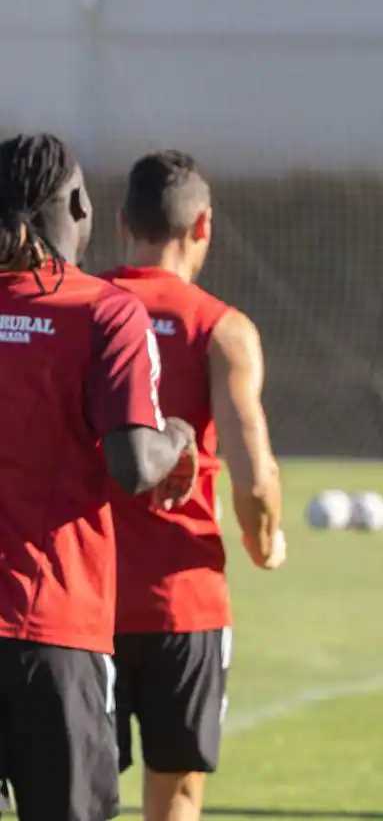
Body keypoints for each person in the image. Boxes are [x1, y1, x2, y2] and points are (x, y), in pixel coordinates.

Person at [0, 133, 196, 821]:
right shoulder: (104, 310)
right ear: (80, 205)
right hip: (52, 629)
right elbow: (135, 466)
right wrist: (177, 437)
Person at [100, 150, 285, 821]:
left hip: (84, 597)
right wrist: (264, 539)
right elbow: (254, 471)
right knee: (176, 792)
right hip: (185, 600)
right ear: (202, 225)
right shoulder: (223, 329)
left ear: (122, 223)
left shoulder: (82, 313)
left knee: (71, 792)